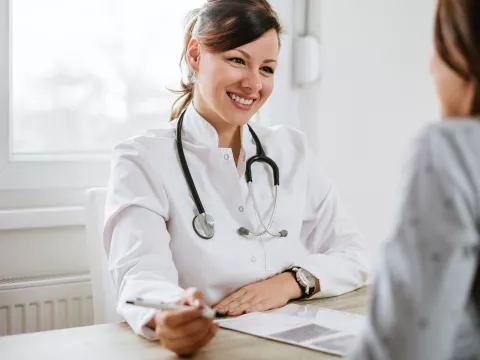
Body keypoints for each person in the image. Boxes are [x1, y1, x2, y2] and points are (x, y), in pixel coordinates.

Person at [104, 0, 369, 356]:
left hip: (287, 341)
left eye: (268, 68)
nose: (254, 83)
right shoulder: (142, 159)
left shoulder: (291, 150)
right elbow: (140, 276)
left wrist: (290, 282)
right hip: (213, 345)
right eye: (237, 60)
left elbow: (352, 255)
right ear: (196, 55)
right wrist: (169, 316)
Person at [349, 0, 480, 359]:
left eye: (438, 49)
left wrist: (296, 279)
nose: (431, 67)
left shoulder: (452, 150)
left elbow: (404, 350)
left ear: (462, 52)